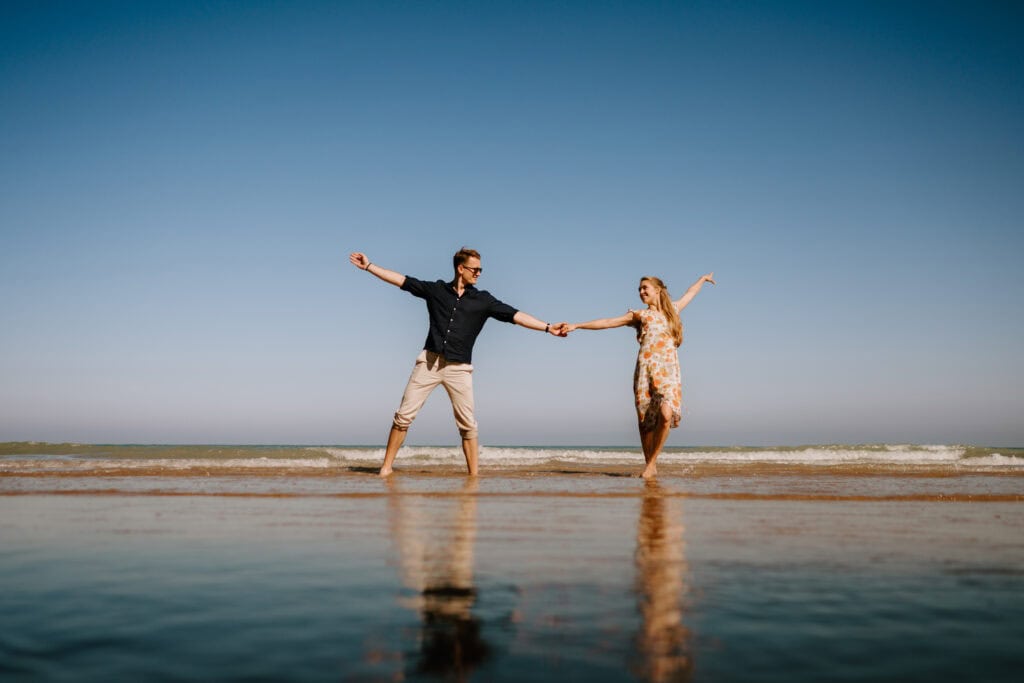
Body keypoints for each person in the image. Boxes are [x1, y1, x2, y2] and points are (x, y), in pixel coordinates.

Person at [349, 248, 566, 476]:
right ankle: (386, 468)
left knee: (468, 425)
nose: (479, 273)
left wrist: (548, 327)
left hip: (460, 369)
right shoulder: (436, 290)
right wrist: (369, 266)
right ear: (461, 269)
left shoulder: (483, 300)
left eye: (481, 269)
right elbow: (402, 280)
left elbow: (516, 315)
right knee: (403, 417)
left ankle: (474, 476)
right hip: (429, 363)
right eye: (475, 269)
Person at [565, 273, 715, 478]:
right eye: (639, 289)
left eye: (645, 288)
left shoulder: (673, 310)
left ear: (658, 290)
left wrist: (703, 279)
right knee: (646, 421)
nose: (641, 292)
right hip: (645, 371)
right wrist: (577, 325)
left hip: (669, 372)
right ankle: (650, 466)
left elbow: (690, 293)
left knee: (666, 414)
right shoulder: (639, 315)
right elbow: (608, 322)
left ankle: (651, 463)